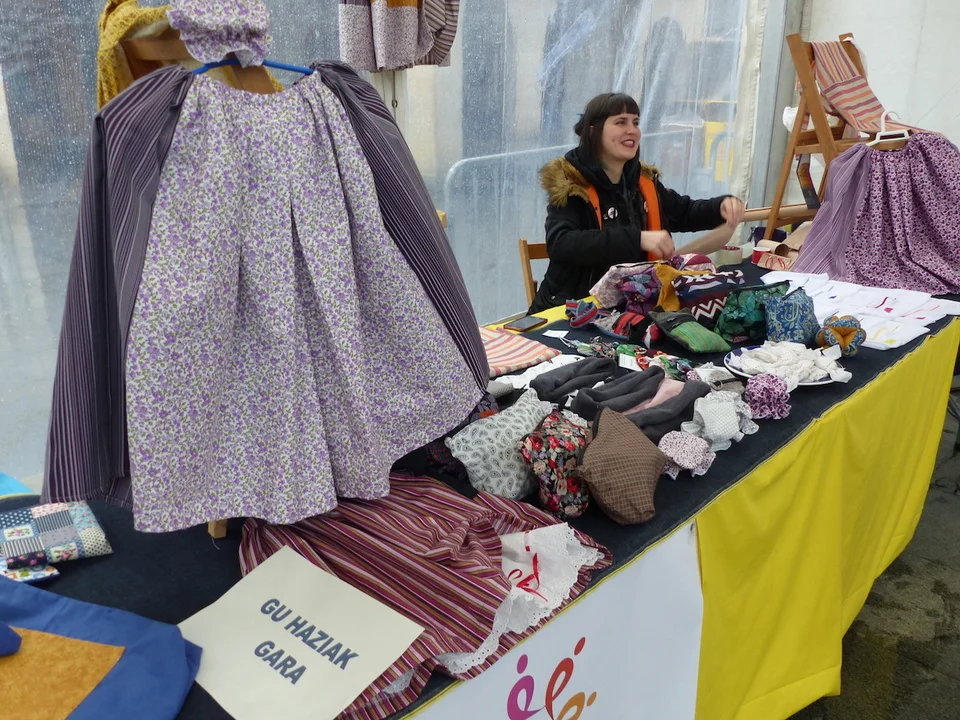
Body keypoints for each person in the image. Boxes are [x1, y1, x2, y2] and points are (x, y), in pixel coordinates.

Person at [529, 92, 745, 314]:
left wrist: (721, 207)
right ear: (593, 131)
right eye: (620, 122)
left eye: (635, 122)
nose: (632, 130)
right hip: (570, 311)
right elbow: (561, 243)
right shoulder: (571, 185)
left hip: (629, 307)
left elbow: (684, 212)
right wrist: (638, 239)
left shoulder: (642, 182)